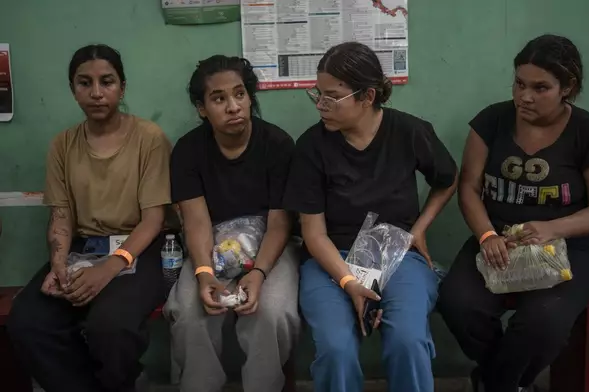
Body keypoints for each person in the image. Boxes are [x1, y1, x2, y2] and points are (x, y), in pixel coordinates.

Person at [438, 34, 589, 392]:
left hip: (571, 248)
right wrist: (487, 234)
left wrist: (553, 227)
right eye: (519, 84)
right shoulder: (491, 122)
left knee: (543, 321)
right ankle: (507, 380)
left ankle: (496, 383)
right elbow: (469, 188)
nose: (525, 96)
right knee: (458, 303)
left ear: (567, 87)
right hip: (499, 240)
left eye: (541, 88)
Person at [283, 41, 458, 392]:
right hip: (332, 258)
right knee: (336, 349)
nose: (321, 105)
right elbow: (314, 234)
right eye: (318, 94)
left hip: (398, 256)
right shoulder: (312, 146)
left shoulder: (409, 132)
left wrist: (419, 230)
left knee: (408, 341)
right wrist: (349, 283)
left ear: (367, 96)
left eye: (333, 96)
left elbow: (447, 179)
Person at [6, 44, 172, 392]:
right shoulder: (63, 144)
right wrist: (58, 264)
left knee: (111, 326)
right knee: (28, 321)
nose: (96, 92)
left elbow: (153, 220)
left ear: (122, 87)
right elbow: (61, 214)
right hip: (84, 247)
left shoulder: (149, 139)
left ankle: (117, 383)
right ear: (73, 89)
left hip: (140, 248)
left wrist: (110, 267)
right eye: (85, 83)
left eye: (107, 82)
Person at [163, 55, 300, 392]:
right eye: (219, 98)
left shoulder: (278, 145)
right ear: (201, 108)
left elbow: (280, 223)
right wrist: (204, 273)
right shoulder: (188, 151)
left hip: (270, 246)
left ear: (250, 97)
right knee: (190, 313)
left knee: (272, 312)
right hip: (211, 246)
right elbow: (195, 221)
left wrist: (258, 273)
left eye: (240, 94)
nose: (233, 106)